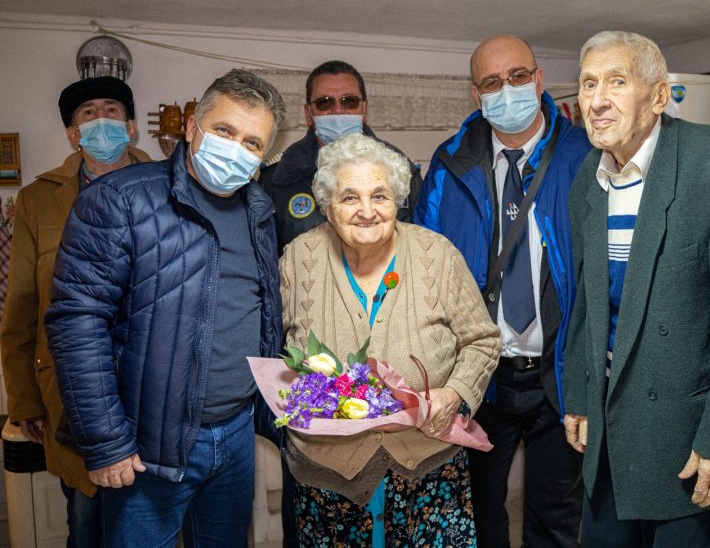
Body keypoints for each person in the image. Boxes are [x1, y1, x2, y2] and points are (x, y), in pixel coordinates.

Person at [44, 69, 285, 547]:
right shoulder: (119, 199)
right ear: (193, 126)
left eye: (253, 143)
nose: (237, 149)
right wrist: (106, 442)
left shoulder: (258, 212)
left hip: (235, 434)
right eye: (224, 131)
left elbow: (258, 312)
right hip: (147, 440)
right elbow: (77, 322)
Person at [562, 30, 710, 548]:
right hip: (609, 434)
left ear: (659, 96)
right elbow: (587, 307)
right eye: (588, 83)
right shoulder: (584, 182)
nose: (596, 101)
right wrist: (579, 394)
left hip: (688, 440)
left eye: (617, 82)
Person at [279, 133, 501, 547]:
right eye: (349, 198)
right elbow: (277, 350)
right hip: (327, 473)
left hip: (428, 462)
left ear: (397, 200)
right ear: (327, 206)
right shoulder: (298, 258)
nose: (366, 211)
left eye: (379, 196)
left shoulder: (437, 254)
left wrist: (455, 393)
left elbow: (483, 341)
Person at [415, 35, 591, 547]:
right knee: (475, 512)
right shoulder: (449, 166)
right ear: (476, 95)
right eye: (492, 82)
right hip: (478, 378)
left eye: (518, 76)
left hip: (559, 375)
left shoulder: (585, 156)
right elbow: (425, 273)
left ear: (539, 81)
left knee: (557, 517)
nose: (507, 90)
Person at [0, 76, 150, 547]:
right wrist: (24, 397)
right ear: (72, 132)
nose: (101, 121)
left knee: (154, 519)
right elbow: (22, 304)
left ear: (130, 126)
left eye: (111, 110)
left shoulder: (168, 184)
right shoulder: (39, 199)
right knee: (86, 521)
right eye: (88, 114)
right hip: (71, 390)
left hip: (151, 384)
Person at [260, 60, 422, 250]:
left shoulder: (402, 170)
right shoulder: (275, 179)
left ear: (364, 110)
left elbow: (419, 246)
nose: (337, 110)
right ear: (308, 114)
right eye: (324, 102)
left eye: (349, 101)